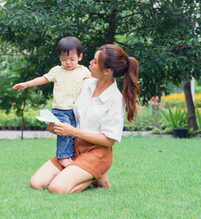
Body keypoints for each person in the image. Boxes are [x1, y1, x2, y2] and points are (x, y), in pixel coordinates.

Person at [29, 44, 140, 193]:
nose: (90, 63)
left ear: (107, 71)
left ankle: (96, 174)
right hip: (74, 148)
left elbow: (109, 140)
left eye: (94, 62)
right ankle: (89, 174)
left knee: (57, 188)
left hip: (97, 153)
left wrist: (72, 131)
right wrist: (57, 127)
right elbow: (70, 114)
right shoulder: (86, 83)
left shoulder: (115, 99)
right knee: (36, 183)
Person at [13, 36, 91, 167]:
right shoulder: (57, 71)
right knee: (64, 133)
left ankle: (73, 156)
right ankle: (63, 157)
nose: (68, 63)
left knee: (75, 134)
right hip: (60, 110)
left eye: (72, 59)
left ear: (80, 57)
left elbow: (94, 84)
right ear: (59, 58)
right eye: (63, 59)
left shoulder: (84, 71)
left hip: (77, 110)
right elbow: (43, 79)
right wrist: (26, 84)